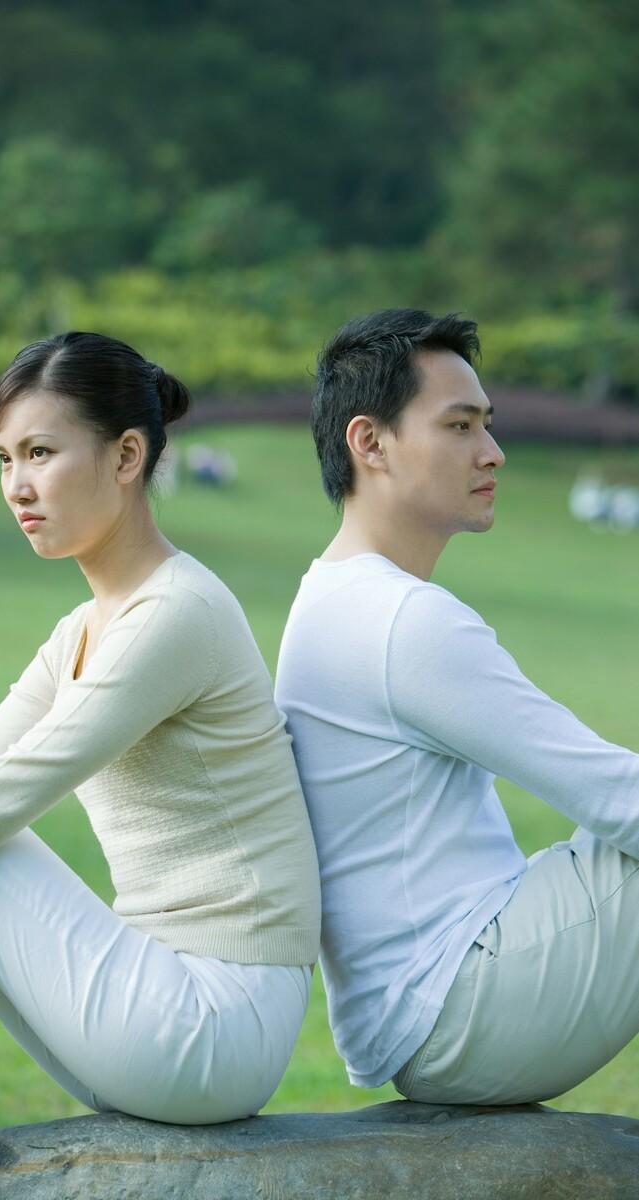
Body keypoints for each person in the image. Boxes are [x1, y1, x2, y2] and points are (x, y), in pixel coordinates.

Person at [0, 331, 321, 1197]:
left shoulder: (178, 613)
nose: (16, 486)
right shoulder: (83, 632)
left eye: (40, 453)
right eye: (4, 459)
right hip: (155, 1009)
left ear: (127, 456)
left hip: (218, 1021)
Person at [274, 307, 639, 1108]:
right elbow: (613, 797)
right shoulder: (401, 620)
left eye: (487, 424)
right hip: (458, 1007)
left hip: (429, 1009)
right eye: (459, 425)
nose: (492, 451)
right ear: (369, 443)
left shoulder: (333, 594)